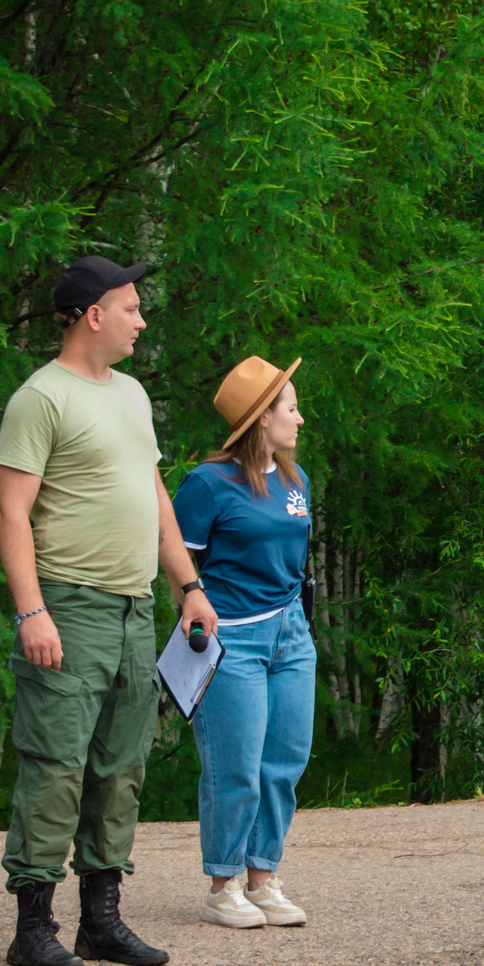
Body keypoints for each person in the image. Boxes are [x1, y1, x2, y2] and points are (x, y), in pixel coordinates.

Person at [0, 256, 214, 966]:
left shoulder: (131, 395)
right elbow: (12, 510)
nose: (140, 320)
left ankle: (101, 921)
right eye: (130, 308)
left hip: (132, 610)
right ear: (93, 314)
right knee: (55, 764)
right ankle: (32, 928)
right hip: (69, 605)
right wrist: (32, 610)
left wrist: (188, 587)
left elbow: (155, 501)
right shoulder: (41, 398)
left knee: (121, 768)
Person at [177, 357, 318, 929]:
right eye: (290, 407)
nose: (300, 418)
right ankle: (222, 885)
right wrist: (191, 600)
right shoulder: (206, 484)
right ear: (262, 418)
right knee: (235, 766)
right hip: (232, 640)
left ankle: (263, 879)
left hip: (291, 635)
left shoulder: (295, 480)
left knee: (283, 761)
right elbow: (178, 557)